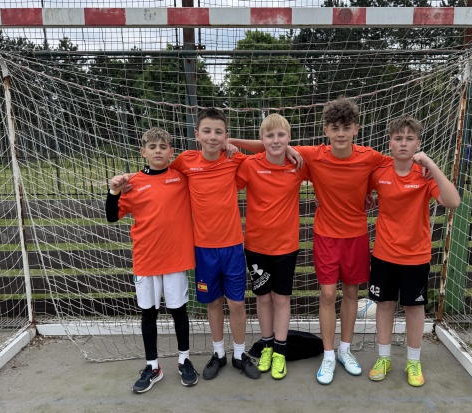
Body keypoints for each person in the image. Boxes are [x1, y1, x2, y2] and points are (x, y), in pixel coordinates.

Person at [229, 97, 392, 385]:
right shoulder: (311, 155)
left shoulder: (369, 156)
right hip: (325, 235)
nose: (340, 134)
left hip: (356, 235)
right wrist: (240, 142)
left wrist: (373, 187)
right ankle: (327, 355)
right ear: (326, 130)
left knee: (351, 293)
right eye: (334, 128)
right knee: (327, 295)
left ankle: (344, 350)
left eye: (346, 128)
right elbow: (270, 146)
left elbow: (391, 168)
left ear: (356, 129)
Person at [167, 108, 261, 380]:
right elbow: (160, 174)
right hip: (204, 249)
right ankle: (218, 353)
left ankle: (239, 354)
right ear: (197, 135)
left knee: (237, 304)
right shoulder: (185, 161)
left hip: (232, 247)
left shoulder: (233, 158)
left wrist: (236, 144)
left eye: (219, 132)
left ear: (225, 136)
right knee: (213, 303)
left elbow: (265, 150)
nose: (212, 136)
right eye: (207, 131)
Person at [367, 115, 460, 387]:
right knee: (384, 305)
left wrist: (432, 165)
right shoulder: (379, 172)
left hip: (416, 255)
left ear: (418, 144)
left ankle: (413, 362)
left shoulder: (425, 174)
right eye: (398, 138)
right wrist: (364, 195)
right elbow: (359, 189)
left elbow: (453, 201)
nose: (403, 143)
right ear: (390, 143)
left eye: (409, 138)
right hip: (384, 253)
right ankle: (384, 358)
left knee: (414, 307)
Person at [106, 128, 198, 393]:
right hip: (146, 259)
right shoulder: (132, 183)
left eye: (163, 146)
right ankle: (152, 366)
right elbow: (112, 216)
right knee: (149, 313)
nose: (158, 151)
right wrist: (113, 191)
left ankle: (184, 360)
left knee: (179, 311)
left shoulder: (182, 178)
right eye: (153, 147)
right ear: (143, 152)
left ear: (171, 152)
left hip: (176, 259)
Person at [233, 114, 311, 380]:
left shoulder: (298, 164)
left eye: (281, 136)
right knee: (263, 298)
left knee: (281, 299)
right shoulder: (250, 165)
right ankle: (266, 347)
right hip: (256, 245)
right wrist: (232, 141)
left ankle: (280, 351)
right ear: (261, 139)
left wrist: (290, 150)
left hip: (286, 246)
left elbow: (328, 170)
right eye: (270, 136)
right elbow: (226, 159)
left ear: (289, 137)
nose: (275, 140)